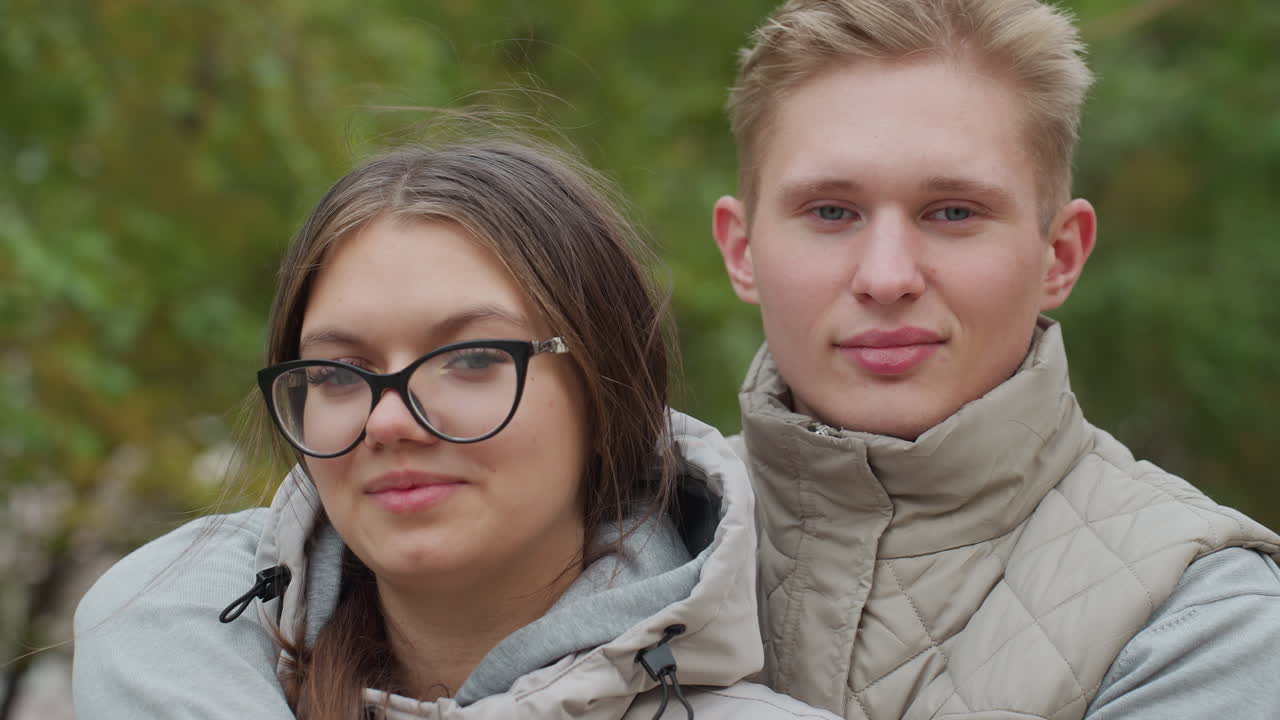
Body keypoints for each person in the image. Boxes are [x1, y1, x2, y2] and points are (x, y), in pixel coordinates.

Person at [72, 138, 840, 720]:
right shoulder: (169, 660)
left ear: (605, 392)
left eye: (470, 358)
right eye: (339, 372)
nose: (389, 420)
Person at [709, 1, 1280, 719]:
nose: (887, 278)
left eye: (952, 212)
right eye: (830, 212)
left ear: (1059, 254)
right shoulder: (612, 545)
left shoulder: (1203, 623)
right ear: (741, 250)